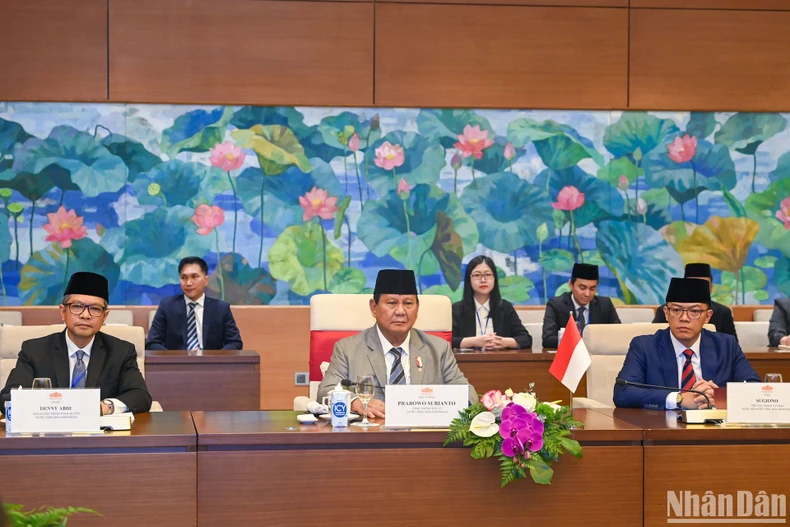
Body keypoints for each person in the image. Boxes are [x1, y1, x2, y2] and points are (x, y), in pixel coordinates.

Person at [317, 269, 478, 418]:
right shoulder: (348, 349)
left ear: (417, 308)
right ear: (374, 307)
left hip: (422, 436)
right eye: (392, 303)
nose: (400, 311)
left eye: (408, 303)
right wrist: (356, 402)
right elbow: (325, 391)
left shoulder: (438, 349)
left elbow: (469, 394)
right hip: (369, 437)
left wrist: (436, 405)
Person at [1, 272, 152, 414]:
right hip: (48, 436)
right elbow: (7, 397)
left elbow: (140, 396)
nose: (85, 315)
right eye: (77, 307)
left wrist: (104, 407)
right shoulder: (35, 350)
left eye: (95, 309)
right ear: (62, 311)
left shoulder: (121, 351)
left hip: (101, 436)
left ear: (105, 316)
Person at [614, 277, 759, 410]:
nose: (684, 318)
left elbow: (755, 390)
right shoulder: (644, 346)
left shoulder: (726, 346)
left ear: (707, 316)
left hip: (714, 431)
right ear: (666, 313)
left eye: (694, 311)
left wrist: (718, 397)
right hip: (663, 430)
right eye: (676, 310)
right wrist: (679, 399)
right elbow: (623, 393)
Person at [146, 256, 242, 350]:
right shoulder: (167, 306)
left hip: (211, 363)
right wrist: (175, 359)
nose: (188, 283)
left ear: (206, 280)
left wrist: (215, 359)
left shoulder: (221, 308)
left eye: (194, 277)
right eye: (184, 277)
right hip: (176, 364)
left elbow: (235, 343)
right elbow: (152, 343)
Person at [452, 255, 532, 350]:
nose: (483, 280)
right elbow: (447, 341)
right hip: (467, 363)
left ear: (494, 278)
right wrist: (475, 341)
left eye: (488, 275)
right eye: (477, 275)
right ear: (469, 280)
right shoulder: (457, 309)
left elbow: (526, 339)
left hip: (500, 362)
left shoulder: (505, 307)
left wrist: (503, 342)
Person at [542, 263, 620, 348]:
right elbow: (548, 339)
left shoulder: (605, 304)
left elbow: (618, 334)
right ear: (571, 285)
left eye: (592, 289)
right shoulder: (556, 304)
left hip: (597, 357)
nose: (587, 294)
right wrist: (582, 341)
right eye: (582, 288)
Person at [653, 263, 737, 341]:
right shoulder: (668, 310)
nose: (684, 318)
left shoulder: (723, 312)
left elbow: (730, 345)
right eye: (692, 285)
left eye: (695, 311)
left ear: (711, 287)